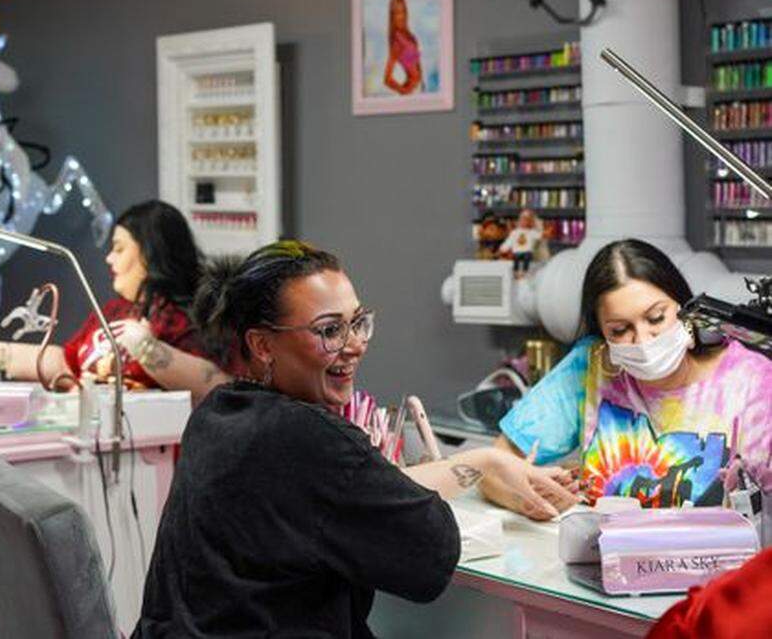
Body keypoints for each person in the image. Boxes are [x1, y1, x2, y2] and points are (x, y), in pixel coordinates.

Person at [132, 240, 574, 637]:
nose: (355, 344)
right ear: (263, 345)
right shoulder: (307, 437)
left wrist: (485, 462)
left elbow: (355, 490)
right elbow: (430, 546)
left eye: (358, 322)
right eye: (330, 330)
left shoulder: (219, 413)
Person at [482, 238, 772, 520]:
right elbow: (491, 469)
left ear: (684, 308)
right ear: (603, 334)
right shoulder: (591, 367)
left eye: (656, 318)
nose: (643, 340)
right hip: (603, 551)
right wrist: (534, 501)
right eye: (620, 330)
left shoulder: (749, 380)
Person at [0, 199, 213, 401]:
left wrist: (147, 349)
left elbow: (214, 385)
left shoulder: (187, 319)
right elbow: (67, 363)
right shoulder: (115, 311)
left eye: (119, 248)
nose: (109, 258)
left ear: (150, 253)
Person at [383, 0, 422, 95]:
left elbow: (418, 70)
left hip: (420, 89)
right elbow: (387, 79)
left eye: (403, 11)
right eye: (397, 13)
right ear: (392, 16)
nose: (401, 16)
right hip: (412, 91)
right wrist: (404, 91)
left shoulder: (411, 37)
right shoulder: (396, 42)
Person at [497, 208, 544, 277]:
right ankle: (516, 272)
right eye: (522, 220)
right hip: (517, 252)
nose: (524, 222)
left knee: (527, 258)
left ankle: (525, 272)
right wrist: (503, 248)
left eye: (527, 220)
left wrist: (543, 231)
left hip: (528, 253)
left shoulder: (532, 232)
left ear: (531, 222)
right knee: (516, 260)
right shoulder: (515, 232)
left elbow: (540, 236)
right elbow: (509, 241)